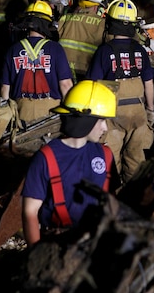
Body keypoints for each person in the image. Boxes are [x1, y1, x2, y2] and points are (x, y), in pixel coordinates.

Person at [21, 80, 119, 245]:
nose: (105, 128)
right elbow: (29, 211)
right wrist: (35, 255)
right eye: (101, 120)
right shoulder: (46, 158)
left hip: (96, 242)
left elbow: (113, 204)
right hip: (56, 243)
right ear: (85, 119)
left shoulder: (105, 155)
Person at [86, 0, 154, 184]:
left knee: (110, 161)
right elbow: (148, 83)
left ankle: (113, 200)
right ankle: (132, 202)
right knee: (137, 161)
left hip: (112, 114)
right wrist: (150, 110)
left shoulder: (104, 51)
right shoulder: (140, 50)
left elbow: (94, 85)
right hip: (138, 112)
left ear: (110, 23)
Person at [0, 0, 74, 123]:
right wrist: (70, 114)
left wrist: (5, 117)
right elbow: (65, 84)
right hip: (51, 112)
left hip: (21, 110)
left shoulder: (13, 49)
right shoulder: (55, 49)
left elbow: (4, 89)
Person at [58, 0, 106, 81]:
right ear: (95, 7)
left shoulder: (64, 19)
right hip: (86, 71)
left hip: (63, 70)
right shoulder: (102, 24)